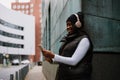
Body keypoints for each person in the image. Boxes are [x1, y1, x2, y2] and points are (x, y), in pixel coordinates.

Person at [40, 12, 93, 80]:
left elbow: (73, 61)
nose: (68, 27)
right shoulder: (68, 40)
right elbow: (64, 59)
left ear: (78, 24)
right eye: (67, 25)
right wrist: (51, 60)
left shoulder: (84, 40)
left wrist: (53, 56)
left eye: (70, 24)